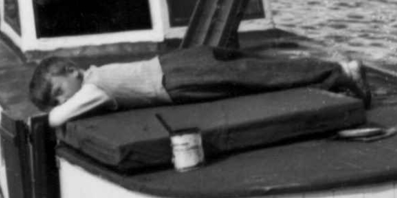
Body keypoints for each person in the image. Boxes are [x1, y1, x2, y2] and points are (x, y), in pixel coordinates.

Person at [30, 47, 372, 127]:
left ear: (72, 71)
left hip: (176, 80)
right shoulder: (95, 76)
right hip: (175, 65)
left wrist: (52, 112)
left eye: (58, 93)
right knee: (255, 70)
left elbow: (57, 119)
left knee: (257, 80)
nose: (61, 101)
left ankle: (339, 73)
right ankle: (334, 73)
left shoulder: (94, 87)